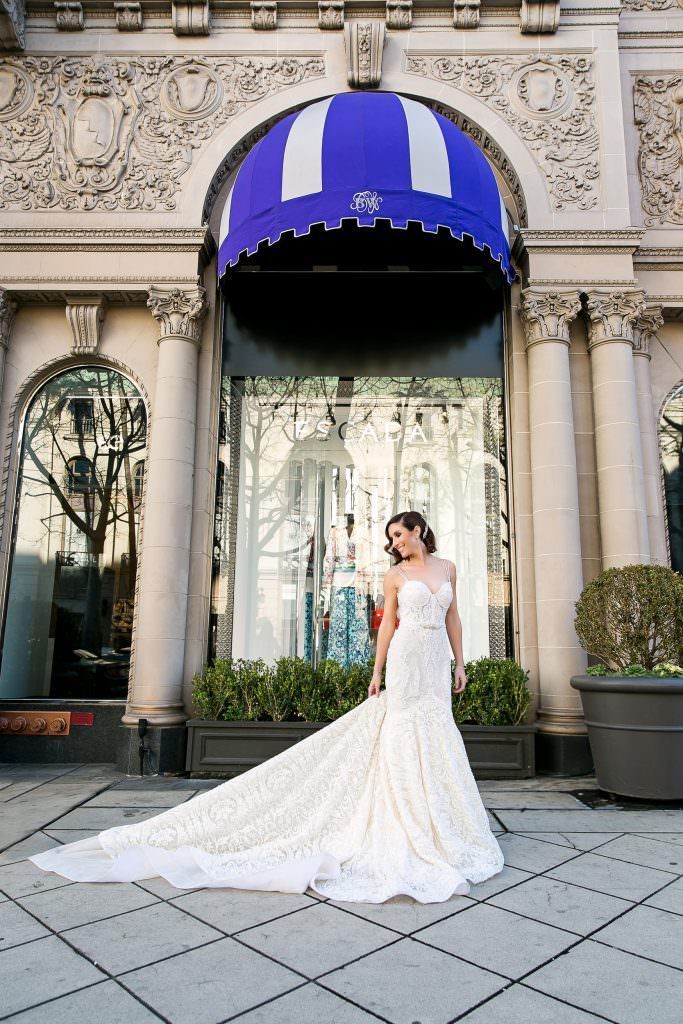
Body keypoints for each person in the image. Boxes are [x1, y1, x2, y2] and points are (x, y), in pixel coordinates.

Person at [30, 510, 504, 904]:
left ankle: (445, 823)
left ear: (418, 529)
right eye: (391, 539)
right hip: (404, 660)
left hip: (434, 663)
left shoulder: (447, 569)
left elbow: (455, 617)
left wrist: (460, 664)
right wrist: (377, 672)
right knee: (401, 734)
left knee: (436, 730)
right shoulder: (395, 575)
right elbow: (387, 628)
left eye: (398, 535)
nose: (394, 544)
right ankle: (405, 821)